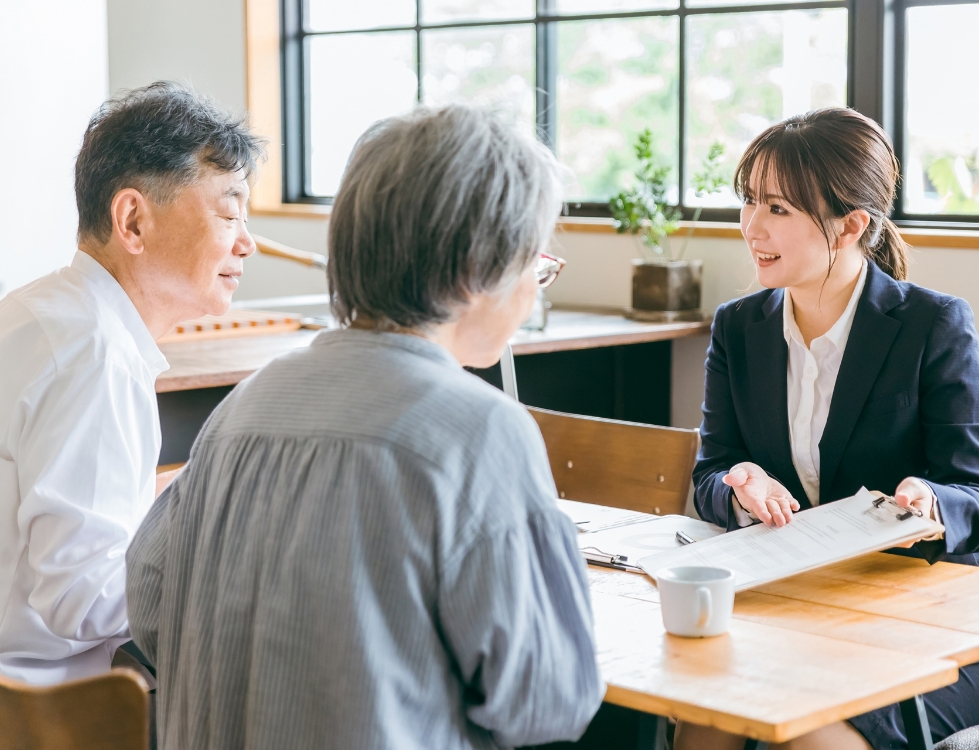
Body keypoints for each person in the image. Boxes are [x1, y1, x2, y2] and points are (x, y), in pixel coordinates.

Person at [125, 105, 603, 750]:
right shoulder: (479, 428)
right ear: (480, 267)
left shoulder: (244, 407)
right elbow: (546, 701)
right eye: (535, 262)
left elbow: (151, 609)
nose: (534, 290)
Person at [674, 108, 979, 750]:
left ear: (852, 224)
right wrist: (738, 484)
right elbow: (711, 474)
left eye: (778, 208)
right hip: (801, 604)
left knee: (805, 736)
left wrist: (929, 500)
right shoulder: (738, 327)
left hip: (942, 617)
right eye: (749, 201)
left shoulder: (933, 325)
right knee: (705, 717)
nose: (751, 226)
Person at [0, 82, 262, 685]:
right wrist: (229, 565)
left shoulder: (44, 311)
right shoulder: (96, 355)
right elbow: (82, 598)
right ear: (133, 220)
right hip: (53, 713)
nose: (246, 243)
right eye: (229, 212)